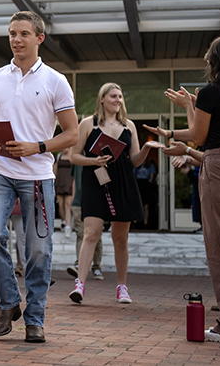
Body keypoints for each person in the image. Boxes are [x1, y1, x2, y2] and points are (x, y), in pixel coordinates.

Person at [0, 11, 79, 343]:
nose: (16, 39)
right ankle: (9, 304)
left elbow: (72, 134)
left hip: (37, 176)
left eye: (23, 33)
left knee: (38, 250)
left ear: (39, 38)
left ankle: (35, 318)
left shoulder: (55, 81)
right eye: (11, 33)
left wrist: (37, 146)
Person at [155, 35, 220, 342]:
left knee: (219, 244)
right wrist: (171, 131)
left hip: (219, 167)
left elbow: (200, 135)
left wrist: (189, 106)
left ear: (215, 61)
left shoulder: (212, 92)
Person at [68, 83, 159, 306]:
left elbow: (135, 161)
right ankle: (80, 284)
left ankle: (122, 287)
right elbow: (73, 156)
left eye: (120, 96)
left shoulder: (129, 126)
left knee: (121, 238)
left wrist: (147, 149)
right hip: (95, 180)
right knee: (91, 232)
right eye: (113, 96)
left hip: (123, 182)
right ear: (102, 99)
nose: (118, 100)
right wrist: (94, 161)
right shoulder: (88, 124)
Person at [66, 164, 104, 281]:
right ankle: (79, 263)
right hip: (78, 202)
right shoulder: (76, 159)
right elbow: (74, 181)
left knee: (96, 235)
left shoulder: (97, 156)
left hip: (95, 201)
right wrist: (73, 201)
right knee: (80, 233)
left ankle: (96, 266)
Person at [54, 149, 73, 239]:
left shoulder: (73, 155)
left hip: (69, 182)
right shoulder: (59, 156)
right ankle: (64, 221)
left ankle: (68, 228)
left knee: (67, 205)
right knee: (60, 205)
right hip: (60, 182)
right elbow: (55, 170)